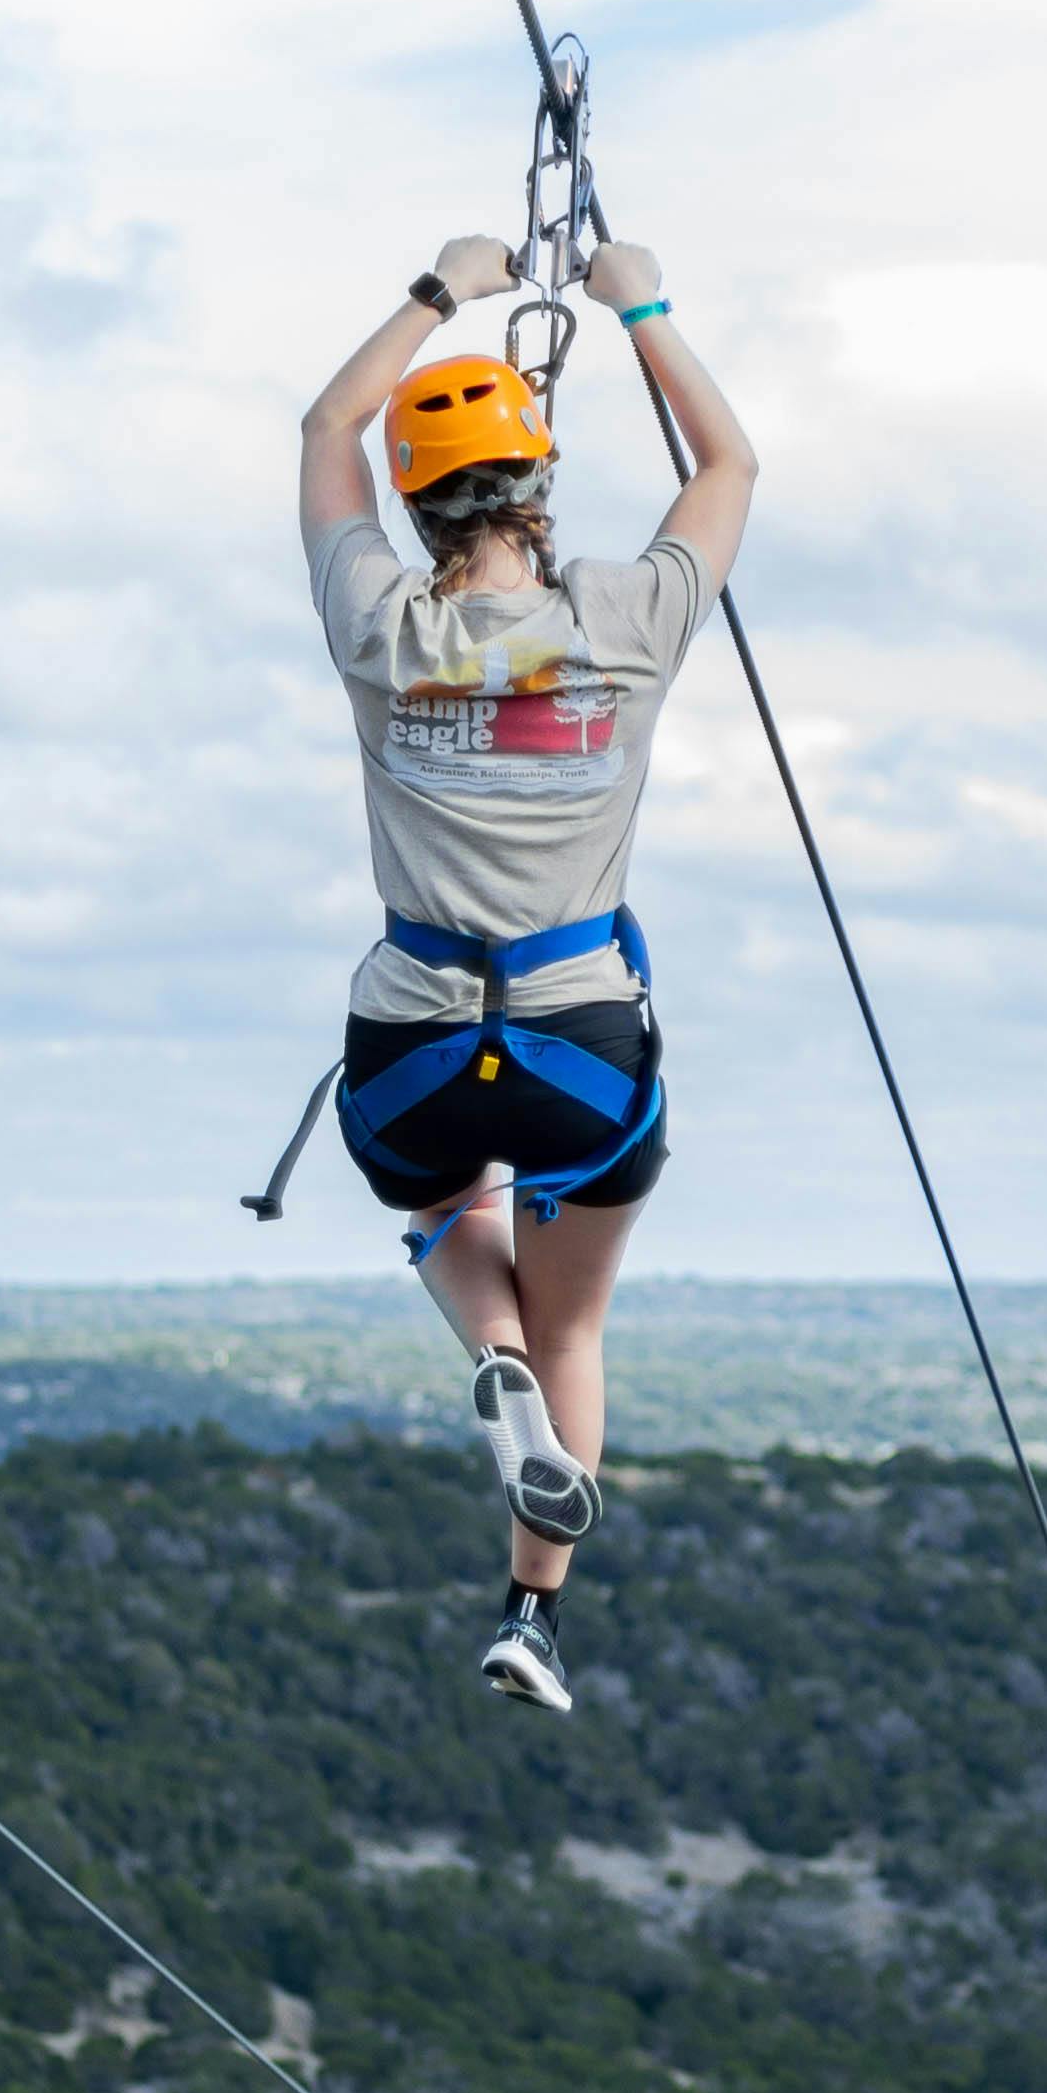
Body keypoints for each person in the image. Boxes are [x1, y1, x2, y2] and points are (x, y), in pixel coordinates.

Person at [296, 225, 759, 1711]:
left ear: (420, 509)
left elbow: (325, 430)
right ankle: (532, 1618)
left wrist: (446, 292)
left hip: (412, 1049)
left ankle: (484, 1349)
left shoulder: (382, 625)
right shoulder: (622, 623)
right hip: (582, 1053)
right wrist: (643, 309)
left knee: (444, 1209)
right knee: (578, 1322)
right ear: (539, 489)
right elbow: (730, 468)